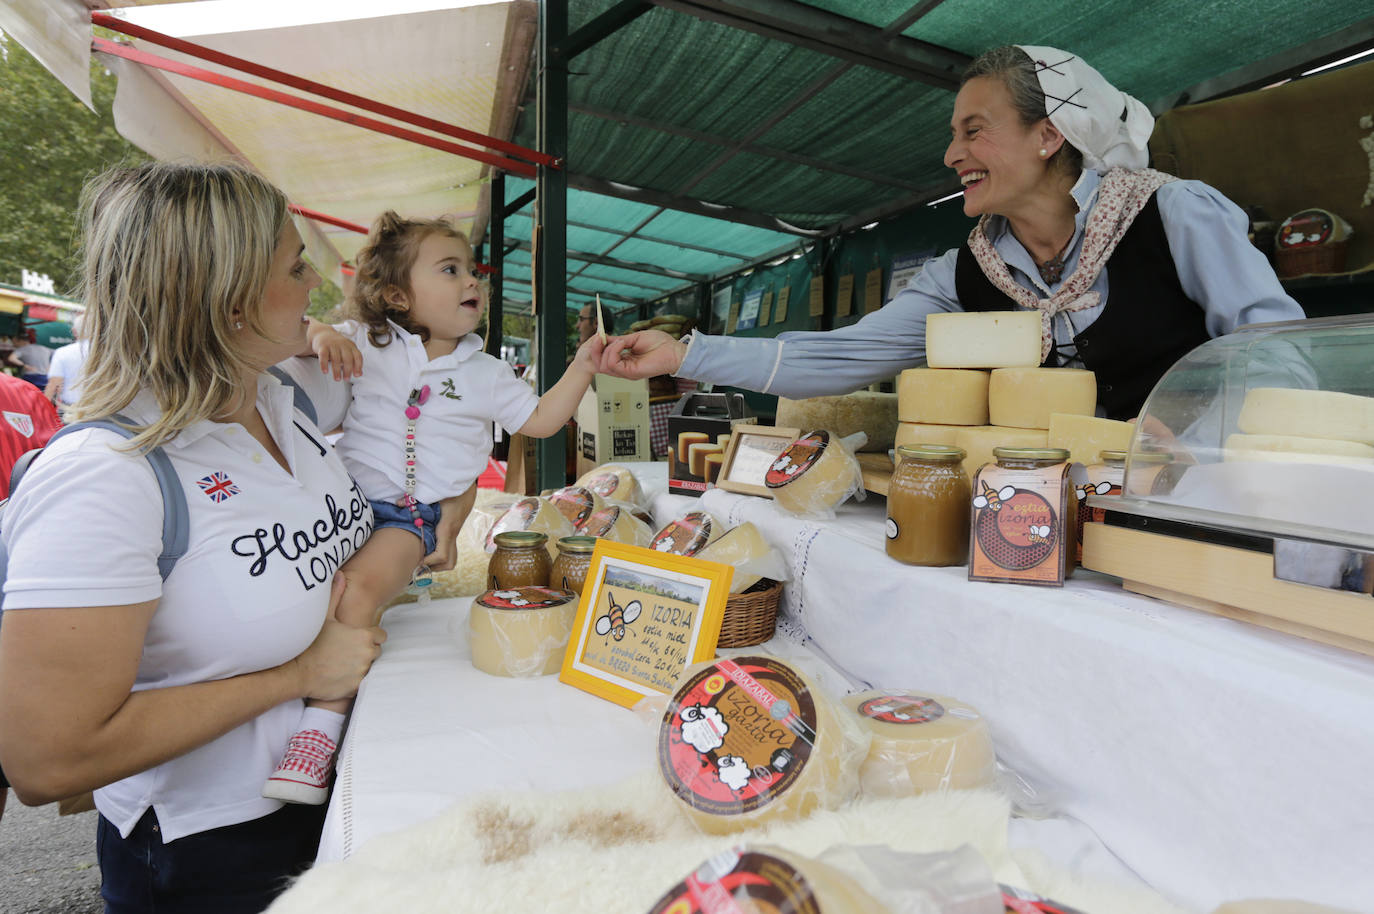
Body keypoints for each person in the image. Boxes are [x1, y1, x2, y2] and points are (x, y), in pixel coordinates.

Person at [0, 161, 389, 913]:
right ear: (232, 300)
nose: (317, 289)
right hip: (212, 850)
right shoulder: (106, 476)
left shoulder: (281, 403)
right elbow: (47, 758)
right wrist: (302, 675)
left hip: (333, 794)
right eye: (295, 264)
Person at [598, 46, 1304, 421]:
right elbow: (838, 359)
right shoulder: (966, 272)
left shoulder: (1174, 214)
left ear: (1048, 136)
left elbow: (1278, 359)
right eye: (952, 135)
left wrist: (1193, 439)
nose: (951, 155)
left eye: (974, 131)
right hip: (1039, 519)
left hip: (1191, 504)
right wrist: (684, 353)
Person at [266, 211, 604, 805]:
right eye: (450, 269)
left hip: (411, 516)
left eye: (472, 270)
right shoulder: (368, 343)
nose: (472, 281)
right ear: (398, 295)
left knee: (358, 593)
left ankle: (317, 736)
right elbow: (294, 329)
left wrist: (582, 366)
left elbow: (543, 421)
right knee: (310, 600)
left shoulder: (487, 372)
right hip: (339, 503)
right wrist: (320, 336)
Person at [44, 320, 90, 419]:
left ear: (74, 331)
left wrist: (43, 410)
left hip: (69, 410)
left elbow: (54, 384)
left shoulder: (62, 352)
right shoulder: (108, 353)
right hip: (100, 409)